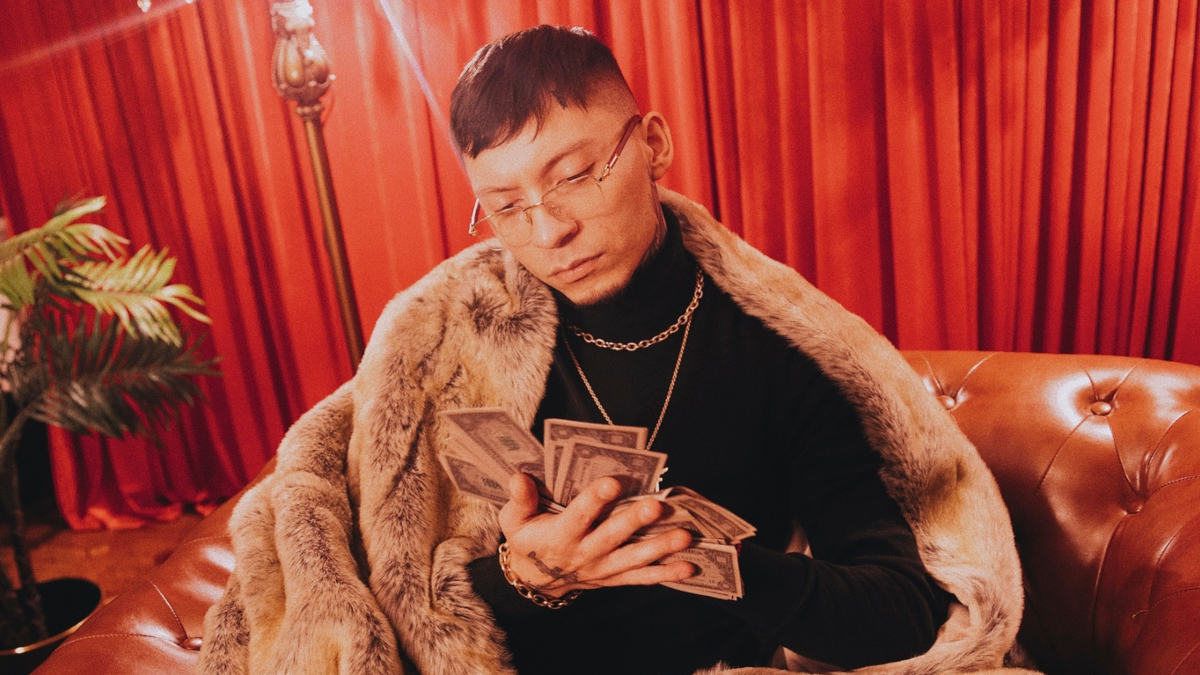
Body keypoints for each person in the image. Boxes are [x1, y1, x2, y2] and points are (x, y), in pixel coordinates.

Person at [199, 25, 1026, 675]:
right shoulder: (445, 339)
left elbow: (900, 610)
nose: (549, 230)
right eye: (506, 205)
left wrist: (701, 558)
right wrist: (524, 577)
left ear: (653, 144)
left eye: (574, 174)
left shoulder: (779, 348)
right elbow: (388, 592)